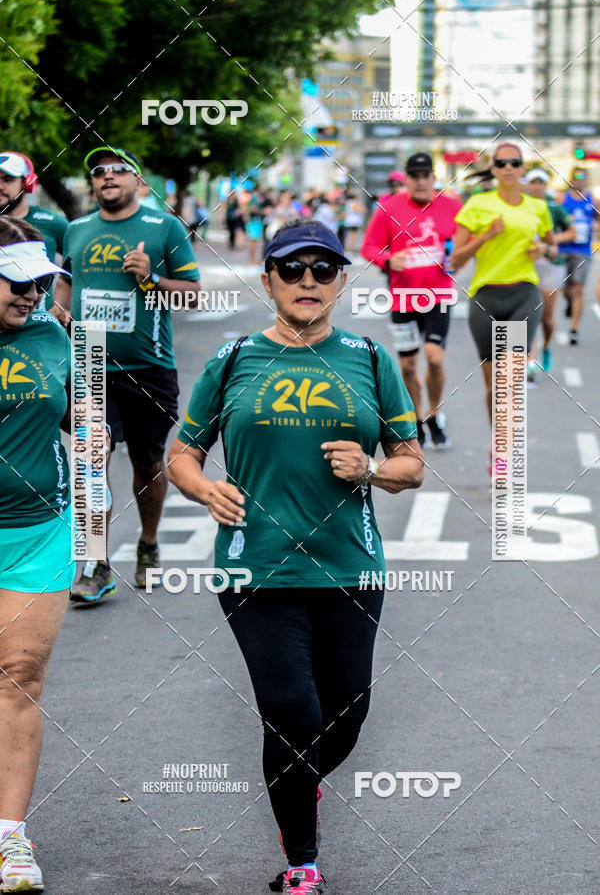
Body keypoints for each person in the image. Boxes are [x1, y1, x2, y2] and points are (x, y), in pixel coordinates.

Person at [167, 220, 424, 895]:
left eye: (322, 269)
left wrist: (371, 467)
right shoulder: (232, 360)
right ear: (268, 278)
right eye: (291, 268)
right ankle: (303, 863)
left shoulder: (370, 360)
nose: (307, 280)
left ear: (341, 280)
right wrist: (203, 488)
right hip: (257, 567)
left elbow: (412, 463)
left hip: (350, 566)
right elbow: (182, 454)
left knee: (346, 718)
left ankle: (294, 785)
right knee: (291, 711)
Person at [51, 146, 201, 602]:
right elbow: (66, 278)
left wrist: (151, 280)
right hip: (90, 359)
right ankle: (95, 561)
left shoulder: (164, 227)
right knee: (90, 459)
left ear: (139, 181)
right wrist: (60, 304)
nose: (107, 176)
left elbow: (192, 295)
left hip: (150, 367)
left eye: (118, 169)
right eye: (98, 172)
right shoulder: (77, 230)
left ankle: (149, 543)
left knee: (147, 464)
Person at [0, 217, 75, 891]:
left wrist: (91, 426)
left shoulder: (53, 337)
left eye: (41, 280)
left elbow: (76, 412)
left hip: (36, 528)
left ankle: (10, 839)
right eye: (17, 281)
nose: (32, 292)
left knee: (19, 671)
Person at [451, 142, 555, 472]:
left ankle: (503, 450)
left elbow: (551, 246)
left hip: (524, 293)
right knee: (493, 386)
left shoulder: (537, 208)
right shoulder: (477, 205)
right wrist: (486, 236)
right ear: (493, 169)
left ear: (522, 168)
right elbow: (455, 259)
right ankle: (498, 438)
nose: (509, 167)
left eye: (515, 162)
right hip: (485, 298)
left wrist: (542, 249)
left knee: (511, 378)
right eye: (502, 163)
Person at [362, 152, 462, 448]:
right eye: (414, 176)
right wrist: (388, 260)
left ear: (433, 178)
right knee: (407, 366)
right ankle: (416, 420)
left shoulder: (452, 206)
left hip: (438, 295)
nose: (420, 181)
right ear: (406, 179)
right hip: (403, 298)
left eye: (425, 175)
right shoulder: (388, 208)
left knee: (434, 357)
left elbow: (465, 244)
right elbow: (369, 246)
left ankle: (435, 413)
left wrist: (459, 260)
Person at [0, 151, 68, 308]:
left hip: (37, 326)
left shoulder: (53, 222)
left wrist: (61, 307)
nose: (0, 186)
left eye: (8, 179)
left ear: (28, 183)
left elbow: (79, 267)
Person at [525, 168, 576, 374]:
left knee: (546, 317)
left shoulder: (554, 207)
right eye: (533, 182)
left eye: (540, 182)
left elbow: (572, 232)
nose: (537, 186)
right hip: (526, 264)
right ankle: (529, 359)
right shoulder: (520, 206)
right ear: (528, 185)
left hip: (550, 264)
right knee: (528, 313)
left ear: (545, 185)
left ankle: (546, 347)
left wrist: (552, 242)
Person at [556, 166, 600, 344]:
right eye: (576, 177)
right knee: (565, 289)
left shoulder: (592, 200)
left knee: (579, 288)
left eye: (583, 177)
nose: (579, 180)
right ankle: (569, 301)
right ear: (571, 179)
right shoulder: (562, 199)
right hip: (564, 248)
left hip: (583, 251)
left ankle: (574, 329)